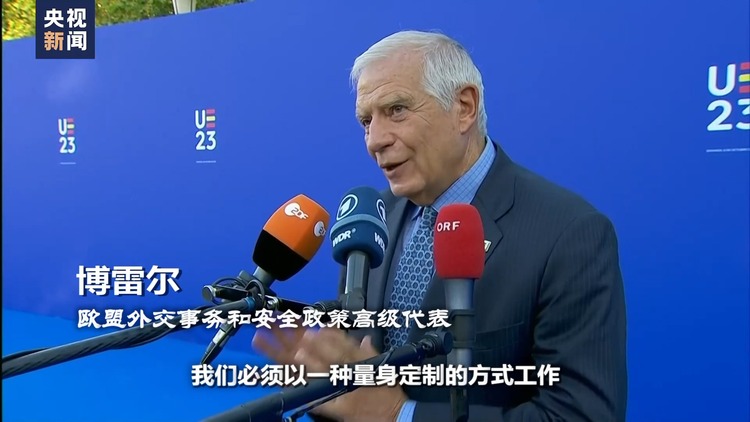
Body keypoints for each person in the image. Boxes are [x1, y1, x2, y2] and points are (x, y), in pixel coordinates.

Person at [253, 30, 628, 422]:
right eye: (366, 121)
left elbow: (581, 415)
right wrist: (324, 391)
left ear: (464, 107)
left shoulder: (568, 233)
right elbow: (360, 397)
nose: (375, 140)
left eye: (396, 110)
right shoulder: (369, 220)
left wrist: (400, 415)